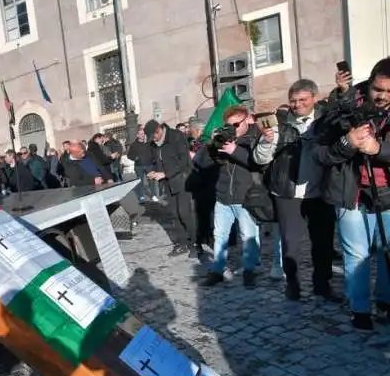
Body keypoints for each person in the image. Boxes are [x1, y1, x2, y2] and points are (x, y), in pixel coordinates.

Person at [314, 58, 390, 331]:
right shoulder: (343, 108)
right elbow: (320, 152)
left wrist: (377, 149)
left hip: (387, 195)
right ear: (369, 83)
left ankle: (385, 301)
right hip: (351, 194)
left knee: (386, 252)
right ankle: (359, 309)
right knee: (356, 254)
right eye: (379, 89)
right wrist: (348, 143)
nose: (383, 97)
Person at [253, 79, 337, 301]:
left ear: (314, 98)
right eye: (293, 101)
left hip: (320, 191)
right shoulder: (278, 123)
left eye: (303, 100)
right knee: (290, 244)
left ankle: (322, 284)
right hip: (287, 192)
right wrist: (265, 141)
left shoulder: (327, 121)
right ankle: (293, 284)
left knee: (323, 243)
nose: (297, 104)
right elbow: (260, 159)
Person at [195, 107, 262, 287]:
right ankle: (217, 270)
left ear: (247, 120)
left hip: (245, 197)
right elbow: (201, 162)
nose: (233, 128)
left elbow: (257, 163)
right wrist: (212, 145)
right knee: (220, 236)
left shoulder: (255, 138)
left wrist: (235, 151)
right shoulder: (225, 139)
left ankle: (249, 271)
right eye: (229, 125)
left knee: (248, 236)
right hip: (223, 197)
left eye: (236, 124)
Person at [143, 119, 197, 257]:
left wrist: (165, 173)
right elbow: (152, 161)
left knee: (184, 213)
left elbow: (184, 161)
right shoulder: (154, 144)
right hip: (167, 183)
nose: (153, 139)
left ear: (159, 130)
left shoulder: (176, 137)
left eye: (153, 136)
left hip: (182, 180)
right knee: (174, 214)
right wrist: (152, 172)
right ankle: (182, 243)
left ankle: (195, 243)